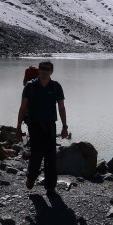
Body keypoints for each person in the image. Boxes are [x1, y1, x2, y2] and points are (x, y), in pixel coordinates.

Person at [15, 60, 68, 194]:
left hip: (50, 124)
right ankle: (31, 178)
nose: (45, 71)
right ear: (38, 70)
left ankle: (50, 187)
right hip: (34, 124)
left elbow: (61, 108)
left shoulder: (56, 87)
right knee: (37, 153)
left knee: (51, 156)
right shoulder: (30, 86)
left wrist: (64, 126)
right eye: (42, 69)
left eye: (47, 69)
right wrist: (18, 128)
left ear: (51, 71)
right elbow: (22, 108)